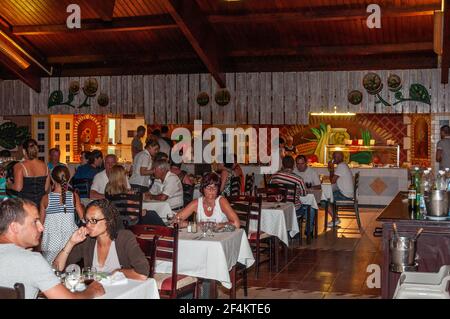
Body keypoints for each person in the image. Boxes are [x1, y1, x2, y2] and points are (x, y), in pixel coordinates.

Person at [0, 198, 105, 299]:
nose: (42, 228)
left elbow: (56, 268)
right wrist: (92, 291)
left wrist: (71, 242)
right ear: (14, 227)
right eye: (35, 221)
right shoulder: (31, 260)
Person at [53, 199, 149, 281]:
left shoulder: (124, 238)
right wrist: (71, 242)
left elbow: (143, 274)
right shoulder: (87, 240)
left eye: (94, 221)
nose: (88, 225)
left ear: (109, 221)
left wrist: (118, 272)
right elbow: (58, 268)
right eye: (87, 220)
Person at [40, 165, 84, 263]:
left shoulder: (46, 199)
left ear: (52, 178)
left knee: (50, 269)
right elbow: (83, 218)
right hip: (70, 241)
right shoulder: (73, 196)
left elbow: (40, 224)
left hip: (51, 241)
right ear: (68, 179)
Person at [175, 172, 240, 229]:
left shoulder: (221, 201)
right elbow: (175, 220)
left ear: (218, 189)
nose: (211, 190)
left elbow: (236, 224)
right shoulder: (197, 203)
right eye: (208, 187)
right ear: (202, 188)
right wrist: (196, 225)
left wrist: (216, 225)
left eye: (214, 187)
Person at [270, 156, 314, 233]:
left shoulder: (274, 177)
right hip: (294, 210)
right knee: (310, 208)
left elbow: (270, 191)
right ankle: (307, 232)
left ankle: (290, 231)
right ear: (294, 166)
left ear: (282, 165)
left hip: (278, 207)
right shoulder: (298, 179)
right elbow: (304, 194)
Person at [8, 139, 50, 208]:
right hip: (41, 205)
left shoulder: (19, 166)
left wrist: (8, 184)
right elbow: (45, 189)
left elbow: (18, 188)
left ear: (24, 151)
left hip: (26, 205)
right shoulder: (45, 166)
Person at [328, 151, 354, 227]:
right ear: (333, 158)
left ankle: (335, 219)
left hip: (345, 195)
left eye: (339, 156)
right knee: (329, 195)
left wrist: (331, 169)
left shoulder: (341, 166)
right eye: (336, 156)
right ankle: (335, 218)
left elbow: (332, 181)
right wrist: (331, 170)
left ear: (342, 157)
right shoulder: (343, 165)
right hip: (347, 193)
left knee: (324, 199)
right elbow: (333, 180)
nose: (337, 158)